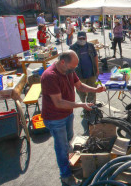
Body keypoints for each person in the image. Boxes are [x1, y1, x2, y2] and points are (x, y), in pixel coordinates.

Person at [41, 51, 106, 185]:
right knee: (62, 147)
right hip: (55, 118)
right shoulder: (49, 76)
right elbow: (58, 102)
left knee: (68, 141)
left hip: (67, 114)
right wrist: (81, 104)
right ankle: (65, 175)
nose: (73, 70)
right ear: (62, 62)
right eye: (72, 67)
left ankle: (68, 162)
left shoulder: (68, 70)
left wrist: (95, 90)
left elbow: (80, 85)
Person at [69, 32, 99, 134]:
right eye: (80, 38)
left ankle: (92, 109)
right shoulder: (72, 47)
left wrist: (97, 69)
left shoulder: (90, 46)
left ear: (86, 38)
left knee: (92, 92)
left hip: (91, 74)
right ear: (77, 38)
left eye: (83, 38)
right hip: (79, 76)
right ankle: (85, 107)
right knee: (81, 93)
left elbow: (95, 57)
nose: (82, 39)